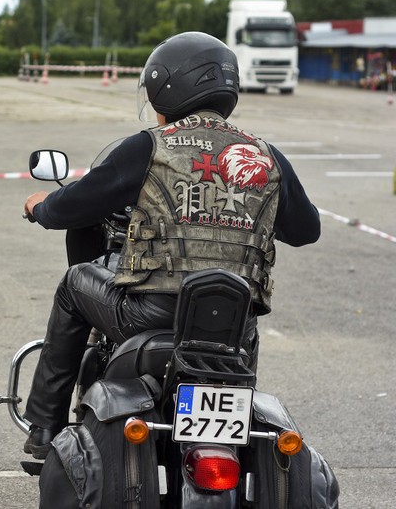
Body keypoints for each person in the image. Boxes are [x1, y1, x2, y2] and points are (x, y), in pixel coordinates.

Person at [21, 31, 321, 460]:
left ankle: (45, 428)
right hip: (236, 326)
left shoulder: (150, 146)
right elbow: (306, 230)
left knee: (74, 284)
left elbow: (72, 207)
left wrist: (41, 206)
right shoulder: (265, 154)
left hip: (150, 314)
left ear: (170, 87)